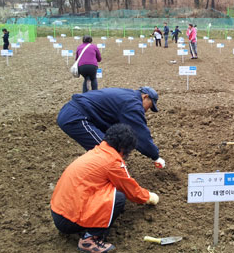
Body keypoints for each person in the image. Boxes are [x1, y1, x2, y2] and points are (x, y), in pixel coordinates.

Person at [50, 123, 159, 252]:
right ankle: (90, 239)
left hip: (58, 211)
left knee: (109, 188)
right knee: (118, 198)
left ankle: (86, 223)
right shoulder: (113, 161)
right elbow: (131, 189)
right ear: (124, 148)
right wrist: (149, 197)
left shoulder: (97, 151)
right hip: (68, 220)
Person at [57, 87, 166, 168]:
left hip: (74, 112)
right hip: (76, 117)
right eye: (149, 106)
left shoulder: (128, 96)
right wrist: (155, 156)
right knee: (107, 152)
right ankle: (107, 185)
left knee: (107, 151)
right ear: (145, 96)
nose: (147, 110)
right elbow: (139, 133)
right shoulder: (133, 104)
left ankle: (99, 172)